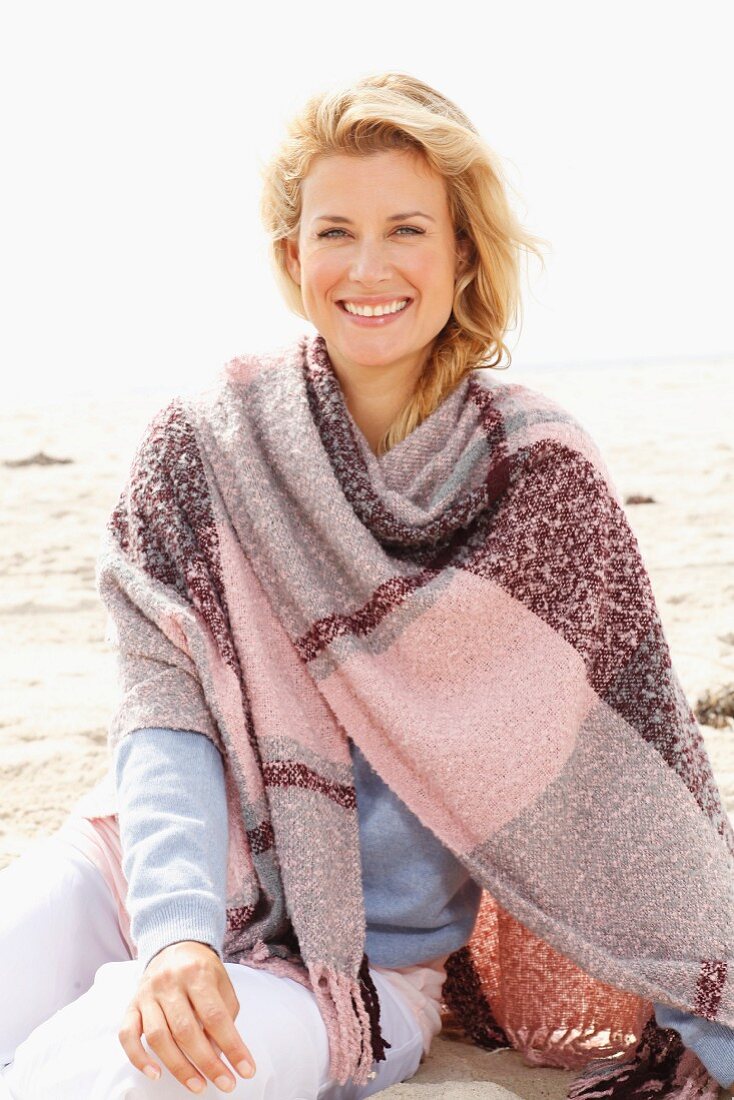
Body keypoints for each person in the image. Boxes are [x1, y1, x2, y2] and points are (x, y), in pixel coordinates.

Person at [1, 71, 733, 1100]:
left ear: (461, 251)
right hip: (143, 872)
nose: (368, 266)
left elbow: (623, 776)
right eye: (334, 230)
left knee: (106, 1076)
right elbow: (163, 712)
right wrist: (175, 935)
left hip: (355, 965)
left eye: (405, 229)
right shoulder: (207, 439)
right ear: (290, 253)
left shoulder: (536, 473)